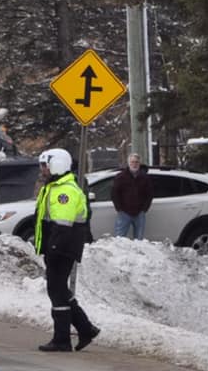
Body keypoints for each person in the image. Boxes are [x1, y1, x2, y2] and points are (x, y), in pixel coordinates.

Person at [29, 147, 101, 353]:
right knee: (60, 288)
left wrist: (53, 246)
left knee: (56, 290)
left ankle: (62, 339)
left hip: (62, 247)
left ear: (56, 164)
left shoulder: (65, 191)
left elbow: (63, 223)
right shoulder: (53, 187)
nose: (42, 169)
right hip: (56, 245)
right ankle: (86, 328)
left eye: (45, 165)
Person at [111, 153, 154, 240]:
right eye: (132, 162)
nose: (134, 164)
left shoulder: (145, 178)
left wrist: (144, 209)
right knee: (119, 239)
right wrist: (119, 208)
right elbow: (114, 194)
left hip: (139, 213)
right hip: (124, 212)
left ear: (139, 163)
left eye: (136, 162)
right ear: (128, 163)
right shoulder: (120, 177)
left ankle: (137, 253)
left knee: (139, 240)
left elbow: (149, 194)